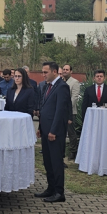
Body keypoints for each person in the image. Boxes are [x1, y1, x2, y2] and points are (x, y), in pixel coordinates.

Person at [34, 62, 71, 203]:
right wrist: (40, 128)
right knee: (47, 161)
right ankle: (51, 188)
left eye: (45, 72)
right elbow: (45, 108)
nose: (43, 75)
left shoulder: (62, 87)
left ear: (54, 72)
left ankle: (59, 192)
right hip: (46, 130)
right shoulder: (47, 86)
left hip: (55, 132)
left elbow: (60, 111)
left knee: (56, 162)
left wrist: (53, 130)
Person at [62, 64, 81, 160]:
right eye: (64, 69)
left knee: (71, 132)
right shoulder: (60, 81)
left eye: (67, 69)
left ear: (71, 71)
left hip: (70, 112)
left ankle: (73, 151)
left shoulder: (74, 82)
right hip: (59, 111)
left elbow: (74, 98)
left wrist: (66, 109)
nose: (65, 71)